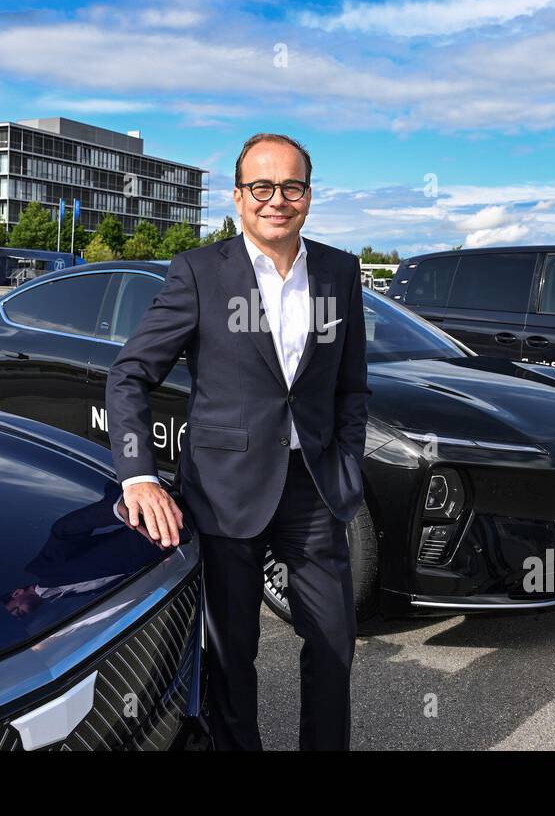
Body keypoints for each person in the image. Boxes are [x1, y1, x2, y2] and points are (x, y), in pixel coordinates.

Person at [106, 132, 370, 750]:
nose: (277, 199)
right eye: (262, 187)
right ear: (238, 195)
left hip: (314, 492)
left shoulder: (340, 271)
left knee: (334, 643)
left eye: (292, 186)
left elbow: (350, 387)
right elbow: (130, 374)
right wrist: (138, 474)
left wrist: (348, 463)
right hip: (224, 496)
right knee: (232, 655)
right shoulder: (200, 272)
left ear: (308, 194)